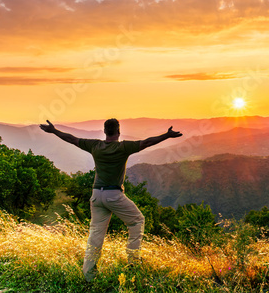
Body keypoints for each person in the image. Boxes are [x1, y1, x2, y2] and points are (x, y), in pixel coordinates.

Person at [39, 118, 182, 282]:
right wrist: (167, 135)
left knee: (95, 234)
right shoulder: (123, 148)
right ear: (118, 131)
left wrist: (54, 130)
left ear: (105, 131)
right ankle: (133, 263)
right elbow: (147, 142)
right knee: (137, 221)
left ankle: (89, 275)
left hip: (96, 196)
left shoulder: (95, 146)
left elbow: (72, 139)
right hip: (113, 195)